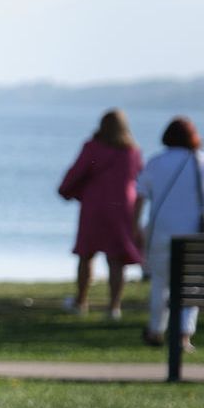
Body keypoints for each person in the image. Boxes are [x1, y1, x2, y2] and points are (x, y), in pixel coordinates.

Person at [133, 116, 204, 352]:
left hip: (161, 232)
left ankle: (156, 330)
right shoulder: (203, 161)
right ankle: (184, 335)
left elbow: (140, 195)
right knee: (190, 286)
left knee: (160, 284)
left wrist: (135, 227)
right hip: (194, 234)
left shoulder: (156, 162)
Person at [55, 108, 144, 321]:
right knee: (116, 259)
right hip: (122, 208)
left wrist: (66, 191)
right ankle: (114, 307)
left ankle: (81, 301)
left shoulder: (93, 147)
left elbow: (78, 172)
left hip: (94, 207)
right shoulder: (132, 151)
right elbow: (140, 178)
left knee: (86, 255)